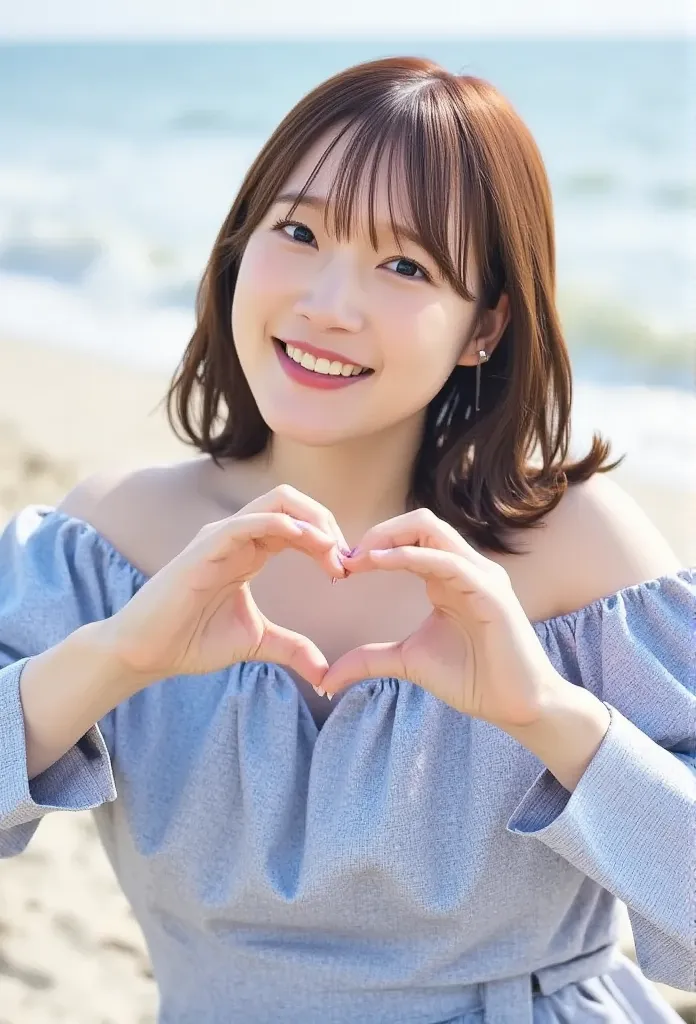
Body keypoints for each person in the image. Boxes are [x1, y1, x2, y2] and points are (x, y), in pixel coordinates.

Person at [0, 55, 693, 1023]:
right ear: (239, 247)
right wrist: (114, 657)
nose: (330, 302)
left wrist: (544, 711)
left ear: (484, 327)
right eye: (299, 231)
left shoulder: (578, 553)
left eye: (404, 265)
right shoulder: (111, 539)